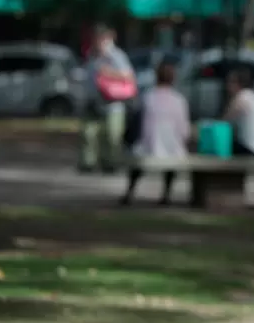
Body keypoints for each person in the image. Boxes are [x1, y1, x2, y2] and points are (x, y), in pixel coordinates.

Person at [121, 61, 191, 206]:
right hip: (172, 148)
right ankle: (166, 193)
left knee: (138, 158)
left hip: (148, 146)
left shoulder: (148, 97)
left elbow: (136, 125)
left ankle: (130, 191)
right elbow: (184, 131)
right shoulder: (179, 100)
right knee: (173, 155)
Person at [79, 24, 135, 174]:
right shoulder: (92, 55)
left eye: (100, 39)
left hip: (113, 102)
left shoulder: (116, 56)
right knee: (89, 133)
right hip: (93, 100)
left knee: (112, 135)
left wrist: (109, 73)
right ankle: (88, 163)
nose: (97, 42)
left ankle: (111, 163)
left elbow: (128, 76)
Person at [224, 68, 254, 157]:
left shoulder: (242, 97)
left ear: (237, 84)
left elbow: (224, 122)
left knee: (221, 146)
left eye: (230, 82)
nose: (227, 86)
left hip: (251, 150)